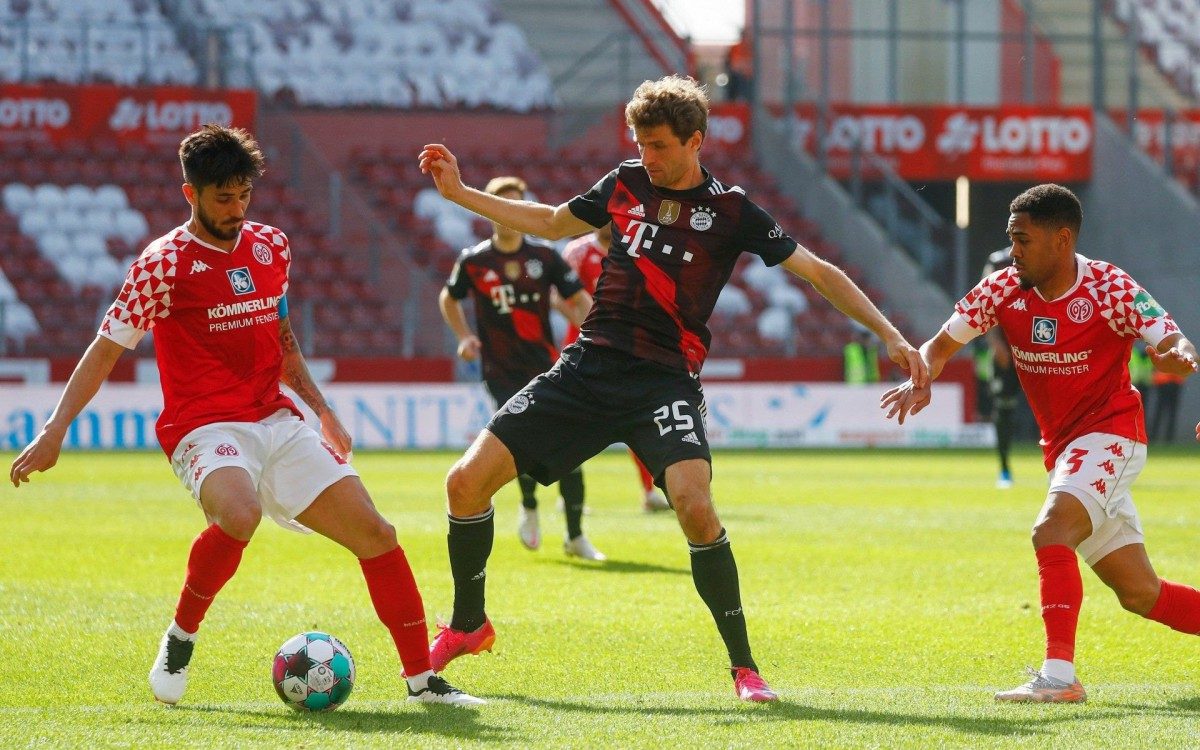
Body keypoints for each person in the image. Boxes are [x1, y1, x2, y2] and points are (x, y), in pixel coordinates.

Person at [418, 74, 926, 702]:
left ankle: (745, 668)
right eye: (639, 143)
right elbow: (550, 223)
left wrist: (889, 334)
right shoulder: (625, 183)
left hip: (663, 382)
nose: (646, 156)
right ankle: (469, 623)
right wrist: (460, 192)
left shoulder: (732, 211)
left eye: (658, 145)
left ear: (695, 141)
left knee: (694, 504)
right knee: (464, 483)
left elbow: (818, 272)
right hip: (588, 367)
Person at [8, 125, 482, 707]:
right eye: (223, 198)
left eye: (244, 196)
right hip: (203, 424)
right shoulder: (162, 264)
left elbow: (282, 339)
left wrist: (322, 411)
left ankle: (423, 683)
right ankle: (180, 639)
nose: (236, 210)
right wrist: (54, 430)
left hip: (275, 418)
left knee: (378, 534)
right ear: (191, 194)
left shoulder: (271, 246)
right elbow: (105, 349)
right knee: (240, 513)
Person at [882, 183, 1200, 703]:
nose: (1013, 251)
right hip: (1065, 451)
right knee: (1141, 594)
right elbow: (939, 346)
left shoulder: (1109, 287)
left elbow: (1173, 339)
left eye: (1023, 240)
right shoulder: (1002, 288)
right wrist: (922, 375)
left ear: (1062, 239)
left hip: (1112, 435)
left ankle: (1059, 676)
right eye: (1012, 238)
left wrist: (1177, 357)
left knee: (1051, 529)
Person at [439, 175, 604, 561]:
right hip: (500, 371)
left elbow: (578, 299)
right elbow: (449, 298)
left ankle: (576, 535)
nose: (509, 214)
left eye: (516, 205)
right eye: (503, 206)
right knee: (523, 443)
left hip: (546, 368)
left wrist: (599, 334)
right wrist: (464, 337)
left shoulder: (544, 257)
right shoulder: (475, 261)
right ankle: (529, 505)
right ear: (491, 212)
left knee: (571, 444)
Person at [560, 222, 671, 513]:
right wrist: (585, 325)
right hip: (581, 349)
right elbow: (557, 296)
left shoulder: (637, 249)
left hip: (625, 350)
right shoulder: (577, 251)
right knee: (570, 423)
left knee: (636, 419)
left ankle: (650, 492)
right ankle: (569, 495)